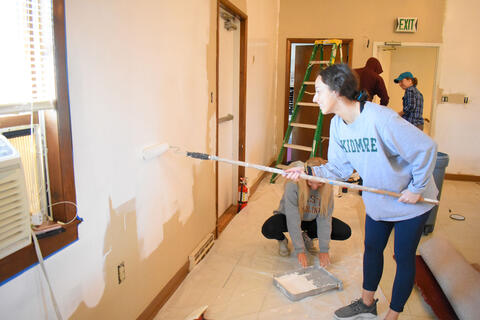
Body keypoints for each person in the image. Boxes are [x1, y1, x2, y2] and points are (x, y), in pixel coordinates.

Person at [284, 64, 438, 320]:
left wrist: (416, 188)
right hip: (380, 197)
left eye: (318, 91)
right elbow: (338, 170)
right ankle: (367, 303)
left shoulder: (380, 118)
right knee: (372, 248)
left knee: (402, 256)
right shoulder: (337, 126)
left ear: (337, 91)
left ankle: (393, 314)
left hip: (411, 199)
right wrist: (305, 173)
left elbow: (426, 148)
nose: (314, 97)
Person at [261, 157, 351, 268]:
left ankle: (307, 236)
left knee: (344, 231)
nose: (314, 187)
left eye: (319, 184)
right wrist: (300, 250)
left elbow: (324, 220)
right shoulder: (293, 185)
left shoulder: (327, 189)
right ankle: (282, 240)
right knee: (269, 228)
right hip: (289, 217)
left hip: (311, 220)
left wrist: (324, 250)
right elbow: (293, 219)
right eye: (311, 183)